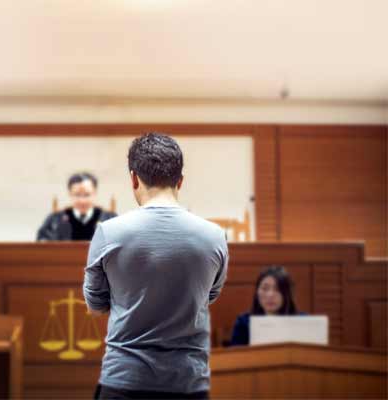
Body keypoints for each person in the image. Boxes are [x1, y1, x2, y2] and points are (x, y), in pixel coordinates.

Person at [83, 133, 229, 399]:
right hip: (188, 384)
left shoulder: (108, 233)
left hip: (124, 381)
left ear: (134, 178)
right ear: (180, 180)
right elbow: (209, 296)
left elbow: (95, 306)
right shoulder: (215, 236)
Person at [229, 265, 299, 346]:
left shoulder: (302, 321)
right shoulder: (244, 322)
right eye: (265, 288)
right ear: (257, 292)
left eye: (278, 289)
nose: (270, 295)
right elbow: (236, 352)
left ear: (287, 294)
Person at [37, 172, 117, 241]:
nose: (82, 200)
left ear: (95, 193)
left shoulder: (110, 218)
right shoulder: (55, 219)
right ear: (70, 193)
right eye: (77, 195)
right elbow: (42, 242)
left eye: (87, 195)